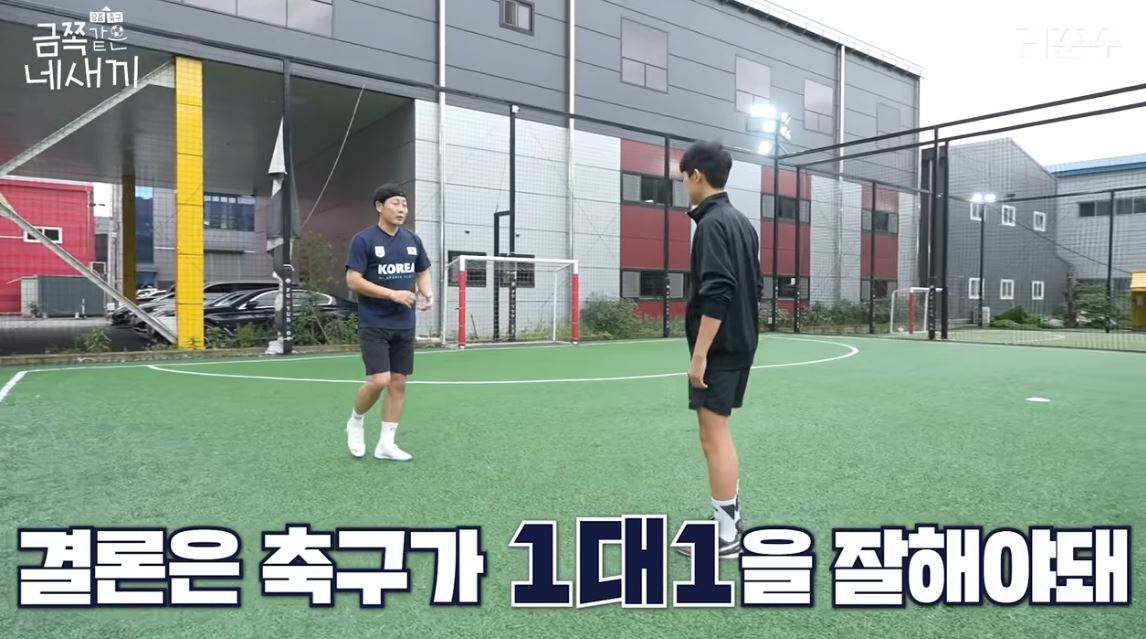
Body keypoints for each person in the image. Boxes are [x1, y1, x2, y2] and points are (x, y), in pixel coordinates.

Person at [677, 141, 761, 559]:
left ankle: (727, 536)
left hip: (721, 348)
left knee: (714, 437)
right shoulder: (742, 223)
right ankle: (730, 521)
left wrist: (700, 354)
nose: (684, 185)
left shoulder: (711, 224)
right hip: (741, 342)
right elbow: (754, 286)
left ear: (696, 175)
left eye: (683, 178)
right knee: (718, 434)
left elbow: (719, 289)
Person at [344, 184, 434, 462]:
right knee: (379, 380)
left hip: (404, 324)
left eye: (404, 205)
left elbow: (422, 270)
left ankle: (386, 444)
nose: (402, 209)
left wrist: (427, 292)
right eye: (396, 203)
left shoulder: (412, 239)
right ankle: (356, 420)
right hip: (374, 323)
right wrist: (392, 294)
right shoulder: (364, 240)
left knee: (398, 383)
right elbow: (353, 280)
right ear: (379, 206)